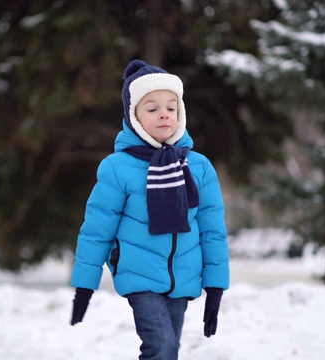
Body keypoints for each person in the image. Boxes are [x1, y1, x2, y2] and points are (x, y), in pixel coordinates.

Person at [69, 59, 230, 359]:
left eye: (171, 107)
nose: (164, 115)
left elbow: (212, 231)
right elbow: (96, 230)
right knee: (162, 347)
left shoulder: (198, 167)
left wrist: (216, 287)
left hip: (182, 277)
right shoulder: (118, 168)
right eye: (152, 108)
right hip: (139, 276)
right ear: (134, 116)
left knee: (169, 352)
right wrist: (84, 287)